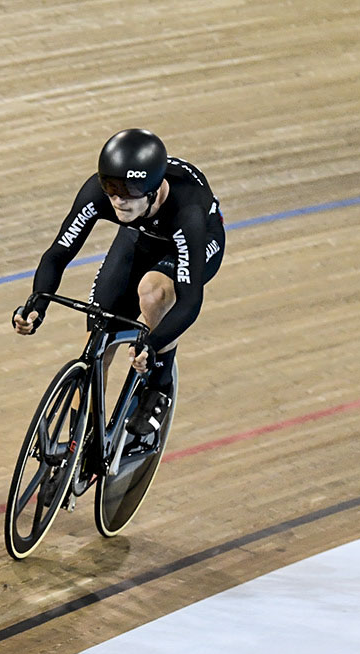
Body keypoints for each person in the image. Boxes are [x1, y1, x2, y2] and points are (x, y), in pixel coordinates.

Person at [12, 128, 224, 435]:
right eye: (110, 188)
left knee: (153, 292)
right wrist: (38, 301)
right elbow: (59, 252)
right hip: (141, 236)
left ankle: (158, 387)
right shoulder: (104, 195)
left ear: (153, 191)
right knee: (99, 335)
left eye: (128, 193)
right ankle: (79, 444)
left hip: (196, 243)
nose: (118, 201)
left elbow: (190, 301)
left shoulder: (187, 208)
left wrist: (152, 345)